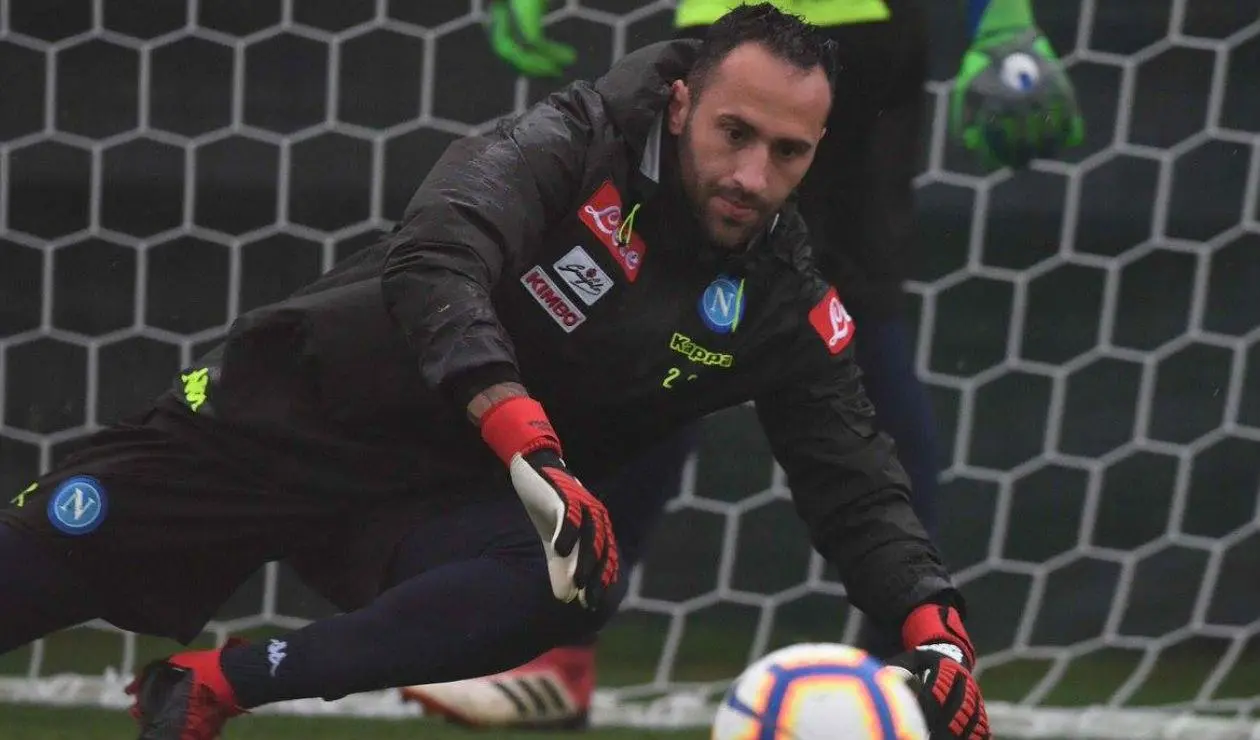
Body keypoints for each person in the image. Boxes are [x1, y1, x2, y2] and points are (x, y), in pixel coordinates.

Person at [0, 6, 990, 740]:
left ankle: (215, 682)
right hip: (289, 417)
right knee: (35, 562)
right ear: (684, 99)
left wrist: (929, 617)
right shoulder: (574, 140)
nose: (751, 175)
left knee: (567, 579)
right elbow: (437, 252)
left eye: (787, 153)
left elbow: (851, 470)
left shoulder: (781, 290)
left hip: (430, 500)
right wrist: (520, 429)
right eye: (736, 133)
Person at [404, 0, 1084, 729]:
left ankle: (914, 682)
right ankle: (551, 643)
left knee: (849, 344)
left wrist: (1004, 15)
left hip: (860, 40)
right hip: (722, 29)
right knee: (655, 344)